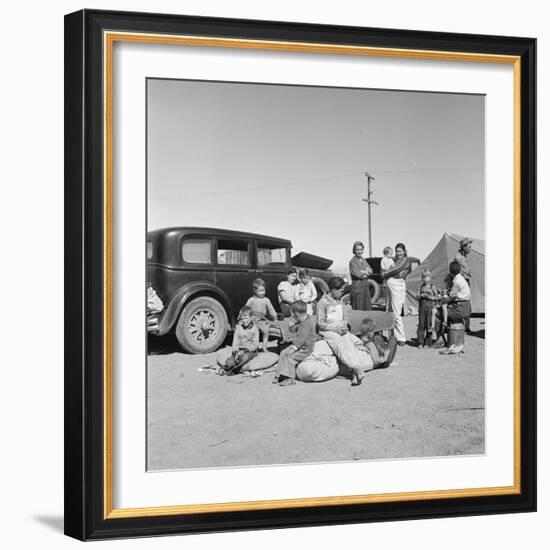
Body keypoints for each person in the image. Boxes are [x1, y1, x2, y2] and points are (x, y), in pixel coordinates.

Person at [273, 300, 318, 387]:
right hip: (300, 346)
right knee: (283, 353)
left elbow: (301, 340)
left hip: (306, 349)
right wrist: (291, 330)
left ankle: (290, 378)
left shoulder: (307, 324)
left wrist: (293, 348)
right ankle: (279, 374)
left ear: (296, 314)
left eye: (292, 315)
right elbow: (295, 332)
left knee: (291, 359)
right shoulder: (302, 321)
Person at [381, 242, 411, 346]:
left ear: (404, 251)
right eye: (397, 251)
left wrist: (385, 274)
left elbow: (396, 270)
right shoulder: (394, 261)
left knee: (396, 312)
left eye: (400, 251)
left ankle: (401, 338)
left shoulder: (405, 261)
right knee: (390, 311)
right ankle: (392, 336)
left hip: (397, 286)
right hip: (391, 286)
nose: (398, 253)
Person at [221, 306, 259, 375]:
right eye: (242, 319)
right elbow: (235, 343)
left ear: (251, 318)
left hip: (249, 351)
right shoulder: (238, 328)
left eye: (246, 318)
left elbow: (255, 345)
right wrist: (235, 353)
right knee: (229, 362)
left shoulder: (255, 329)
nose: (244, 321)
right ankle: (230, 367)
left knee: (245, 357)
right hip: (238, 351)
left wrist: (244, 351)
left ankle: (233, 370)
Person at [246, 278, 277, 351]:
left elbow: (271, 309)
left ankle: (264, 346)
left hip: (262, 320)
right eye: (260, 291)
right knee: (253, 332)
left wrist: (275, 317)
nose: (262, 293)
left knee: (266, 330)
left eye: (263, 290)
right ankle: (254, 347)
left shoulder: (266, 300)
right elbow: (246, 309)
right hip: (253, 320)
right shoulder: (251, 300)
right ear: (255, 290)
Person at [454, 237, 473, 332]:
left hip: (467, 281)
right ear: (464, 247)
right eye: (469, 247)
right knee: (463, 303)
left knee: (468, 303)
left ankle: (466, 326)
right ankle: (462, 327)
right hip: (463, 282)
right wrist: (465, 275)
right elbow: (458, 270)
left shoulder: (464, 257)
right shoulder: (458, 257)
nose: (470, 248)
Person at [416, 270, 438, 347]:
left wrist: (429, 296)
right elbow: (417, 296)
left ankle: (428, 342)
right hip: (422, 308)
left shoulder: (433, 287)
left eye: (427, 277)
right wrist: (420, 296)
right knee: (421, 325)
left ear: (430, 278)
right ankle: (420, 342)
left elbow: (437, 297)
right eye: (424, 277)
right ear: (422, 279)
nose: (426, 279)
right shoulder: (420, 287)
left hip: (430, 308)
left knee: (429, 325)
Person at [348, 241, 373, 311]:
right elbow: (357, 274)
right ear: (354, 250)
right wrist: (365, 272)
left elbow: (371, 271)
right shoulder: (353, 261)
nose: (359, 251)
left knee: (367, 307)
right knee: (358, 308)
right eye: (357, 250)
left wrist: (363, 271)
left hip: (365, 287)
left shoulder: (363, 260)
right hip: (357, 286)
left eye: (361, 249)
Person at [380, 246, 394, 312]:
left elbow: (393, 266)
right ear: (386, 254)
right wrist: (388, 269)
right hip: (386, 278)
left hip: (390, 278)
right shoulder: (384, 259)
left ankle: (390, 308)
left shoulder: (391, 260)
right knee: (387, 296)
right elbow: (383, 267)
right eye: (390, 254)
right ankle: (387, 308)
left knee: (391, 295)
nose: (391, 255)